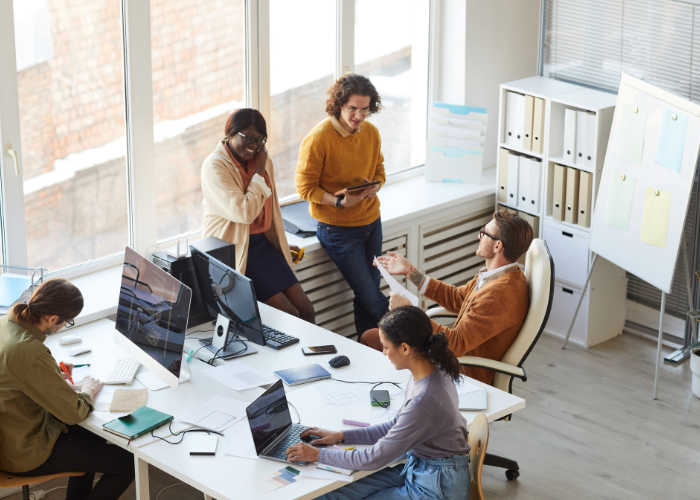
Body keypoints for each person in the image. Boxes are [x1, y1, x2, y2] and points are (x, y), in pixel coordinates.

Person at [285, 306, 470, 500]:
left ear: (405, 348)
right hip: (420, 468)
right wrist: (341, 435)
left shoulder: (424, 400)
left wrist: (317, 455)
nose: (383, 353)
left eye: (386, 347)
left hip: (437, 487)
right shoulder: (427, 371)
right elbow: (396, 425)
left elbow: (374, 458)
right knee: (330, 495)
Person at [0, 278, 135, 500]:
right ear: (52, 318)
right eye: (67, 322)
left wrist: (51, 377)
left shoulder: (8, 324)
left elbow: (16, 377)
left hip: (13, 435)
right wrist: (88, 389)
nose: (64, 326)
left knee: (92, 437)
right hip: (24, 452)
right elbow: (74, 413)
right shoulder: (29, 352)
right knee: (127, 463)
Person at [364, 210, 533, 385]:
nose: (479, 236)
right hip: (455, 356)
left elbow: (456, 343)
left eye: (484, 233)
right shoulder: (498, 275)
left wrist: (411, 313)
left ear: (497, 246)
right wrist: (410, 272)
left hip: (462, 370)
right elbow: (457, 298)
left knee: (372, 339)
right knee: (374, 337)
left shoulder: (499, 296)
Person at [295, 74, 387, 339]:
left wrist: (374, 187)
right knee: (373, 298)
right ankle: (417, 340)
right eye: (352, 109)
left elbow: (380, 170)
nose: (359, 116)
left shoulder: (371, 132)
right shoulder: (319, 138)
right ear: (338, 105)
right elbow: (305, 188)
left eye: (365, 109)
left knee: (366, 296)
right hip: (338, 230)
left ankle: (373, 351)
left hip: (372, 222)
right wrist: (339, 201)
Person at [202, 108, 315, 323]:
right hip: (235, 249)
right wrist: (260, 169)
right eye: (248, 138)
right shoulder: (215, 166)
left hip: (261, 245)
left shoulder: (262, 158)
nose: (253, 146)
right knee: (289, 317)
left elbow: (270, 209)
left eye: (260, 140)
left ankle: (313, 356)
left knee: (307, 310)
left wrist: (280, 243)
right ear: (230, 133)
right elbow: (244, 213)